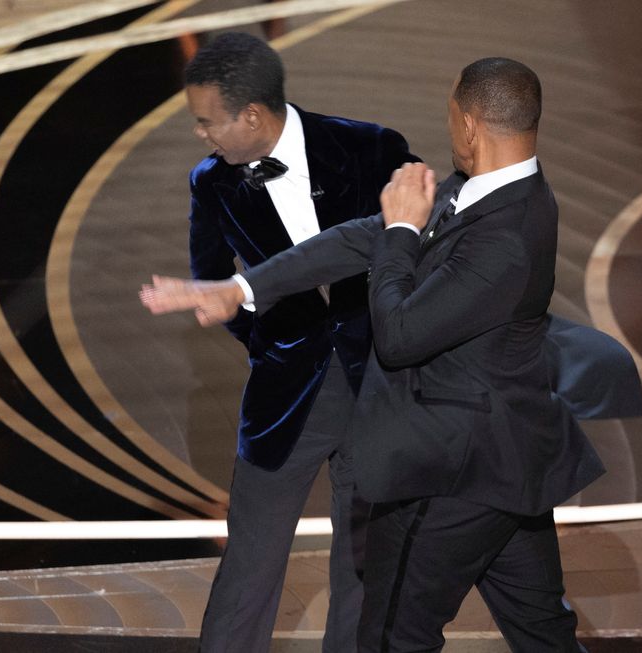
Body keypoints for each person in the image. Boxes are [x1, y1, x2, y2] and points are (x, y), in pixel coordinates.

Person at [144, 57, 639, 652]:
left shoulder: (508, 236)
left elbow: (400, 336)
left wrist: (402, 231)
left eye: (451, 112)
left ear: (470, 124)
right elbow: (359, 237)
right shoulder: (480, 190)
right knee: (543, 632)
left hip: (456, 472)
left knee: (391, 637)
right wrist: (241, 288)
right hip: (509, 468)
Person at [178, 32, 418, 652]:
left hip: (381, 384)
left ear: (252, 116)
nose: (200, 135)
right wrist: (271, 341)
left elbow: (419, 252)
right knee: (250, 562)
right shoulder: (210, 183)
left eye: (207, 122)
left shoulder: (372, 147)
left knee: (364, 560)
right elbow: (212, 279)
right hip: (285, 395)